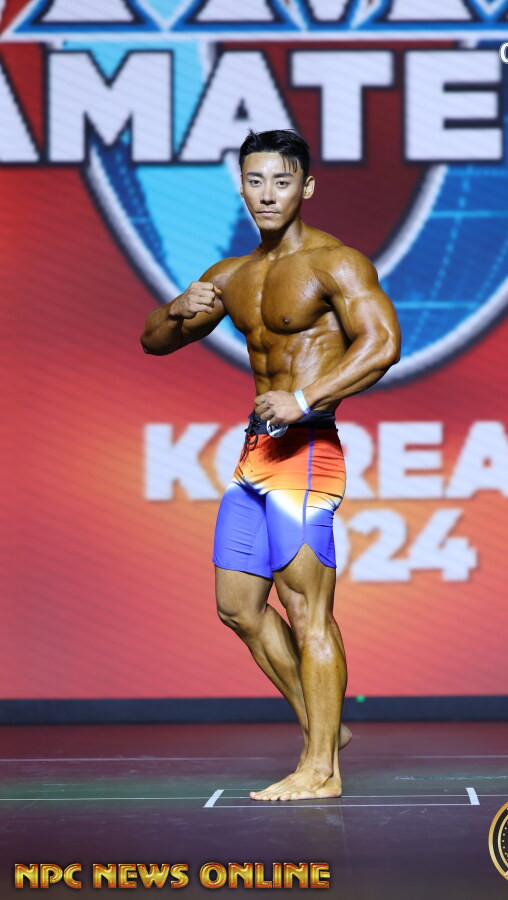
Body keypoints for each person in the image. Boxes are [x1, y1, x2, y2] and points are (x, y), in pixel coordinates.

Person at [141, 129, 401, 801]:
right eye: (255, 181)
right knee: (237, 607)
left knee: (307, 611)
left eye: (281, 181)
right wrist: (176, 309)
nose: (267, 194)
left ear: (305, 187)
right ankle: (325, 725)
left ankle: (321, 769)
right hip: (255, 454)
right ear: (241, 187)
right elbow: (154, 342)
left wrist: (305, 398)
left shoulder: (335, 262)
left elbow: (383, 344)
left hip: (307, 452)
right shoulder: (232, 275)